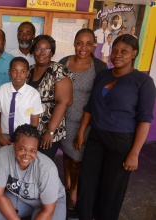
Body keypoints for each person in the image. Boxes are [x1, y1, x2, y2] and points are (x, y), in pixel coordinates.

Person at [76, 34, 155, 220]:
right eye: (115, 51)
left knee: (112, 188)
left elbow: (145, 120)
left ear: (134, 53)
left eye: (124, 51)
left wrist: (135, 153)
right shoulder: (103, 75)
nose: (118, 55)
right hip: (95, 137)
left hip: (121, 142)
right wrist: (81, 132)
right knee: (88, 182)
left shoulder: (143, 82)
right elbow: (89, 107)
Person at [59, 28, 108, 210]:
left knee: (77, 159)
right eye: (80, 42)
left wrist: (82, 130)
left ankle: (74, 191)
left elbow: (99, 98)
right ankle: (67, 184)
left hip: (85, 123)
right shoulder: (64, 62)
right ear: (74, 43)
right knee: (66, 155)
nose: (83, 47)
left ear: (94, 44)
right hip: (64, 120)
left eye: (88, 43)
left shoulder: (100, 68)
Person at [0, 124, 66, 220]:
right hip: (20, 198)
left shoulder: (47, 168)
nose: (27, 155)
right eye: (22, 149)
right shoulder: (3, 155)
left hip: (51, 203)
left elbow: (48, 211)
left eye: (32, 151)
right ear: (14, 145)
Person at [27, 35, 73, 159]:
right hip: (31, 128)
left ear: (52, 52)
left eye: (46, 49)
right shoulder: (29, 70)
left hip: (48, 130)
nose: (42, 53)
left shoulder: (59, 70)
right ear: (33, 51)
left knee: (43, 165)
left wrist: (50, 131)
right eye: (38, 49)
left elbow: (63, 102)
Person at [0, 57, 43, 148]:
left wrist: (28, 139)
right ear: (9, 72)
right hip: (4, 136)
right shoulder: (2, 89)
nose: (18, 75)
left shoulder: (33, 94)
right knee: (3, 159)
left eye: (22, 71)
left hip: (24, 137)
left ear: (27, 73)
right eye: (14, 71)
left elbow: (34, 121)